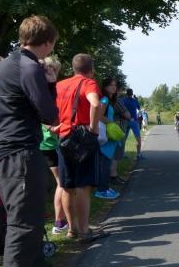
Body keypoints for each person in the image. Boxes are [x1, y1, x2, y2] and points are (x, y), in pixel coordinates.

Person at [0, 15, 63, 267]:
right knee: (24, 220)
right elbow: (49, 115)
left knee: (29, 215)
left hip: (8, 147)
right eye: (53, 44)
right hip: (18, 149)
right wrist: (51, 83)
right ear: (48, 42)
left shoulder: (8, 63)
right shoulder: (30, 67)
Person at [55, 53, 106, 244]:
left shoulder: (60, 85)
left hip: (64, 137)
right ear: (91, 70)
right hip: (82, 138)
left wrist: (56, 126)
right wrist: (93, 128)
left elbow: (51, 110)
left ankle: (72, 229)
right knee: (83, 186)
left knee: (67, 186)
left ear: (73, 68)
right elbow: (95, 104)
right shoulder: (89, 83)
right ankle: (84, 230)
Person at [38, 56, 68, 234]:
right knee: (62, 182)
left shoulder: (38, 89)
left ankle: (53, 219)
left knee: (44, 184)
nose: (55, 74)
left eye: (56, 70)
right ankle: (59, 222)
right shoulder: (46, 91)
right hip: (49, 143)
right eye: (53, 70)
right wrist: (53, 127)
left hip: (41, 142)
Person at [95, 78, 121, 200]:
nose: (113, 87)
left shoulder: (109, 100)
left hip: (108, 135)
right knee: (104, 164)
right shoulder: (104, 99)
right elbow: (98, 116)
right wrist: (112, 123)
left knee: (107, 162)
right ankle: (102, 190)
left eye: (115, 85)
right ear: (105, 87)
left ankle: (105, 187)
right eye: (111, 85)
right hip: (104, 135)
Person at [121, 88, 144, 160]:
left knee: (123, 138)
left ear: (126, 93)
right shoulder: (134, 100)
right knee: (138, 138)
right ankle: (138, 155)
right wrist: (136, 99)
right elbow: (138, 107)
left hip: (125, 120)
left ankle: (122, 154)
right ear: (132, 93)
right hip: (134, 121)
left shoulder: (123, 100)